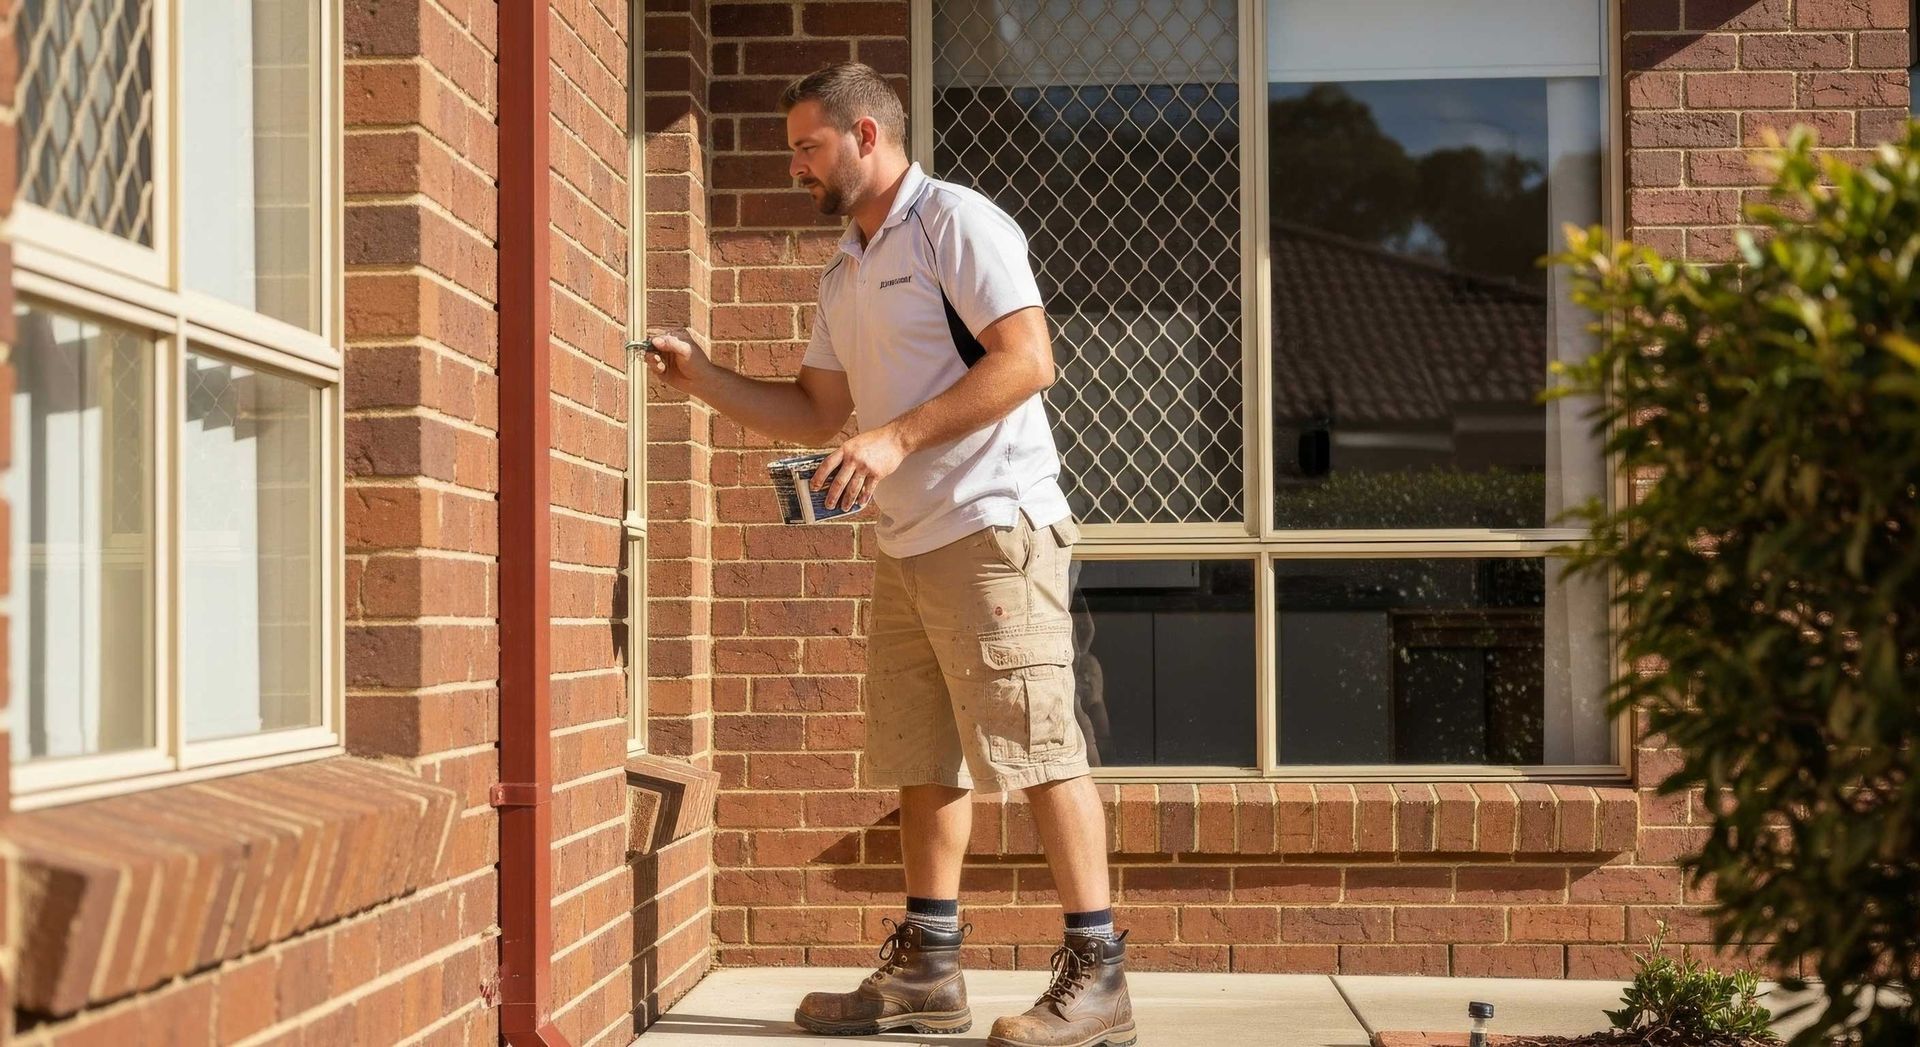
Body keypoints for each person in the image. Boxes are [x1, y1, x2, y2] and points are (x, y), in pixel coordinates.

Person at [642, 60, 1134, 1047]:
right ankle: (928, 976)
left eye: (807, 146)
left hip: (996, 527)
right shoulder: (847, 268)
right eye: (792, 150)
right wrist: (701, 379)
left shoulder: (958, 224)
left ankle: (1101, 980)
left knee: (1041, 748)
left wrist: (898, 438)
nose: (795, 165)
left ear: (867, 136)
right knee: (923, 759)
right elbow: (819, 410)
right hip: (909, 543)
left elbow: (1030, 359)